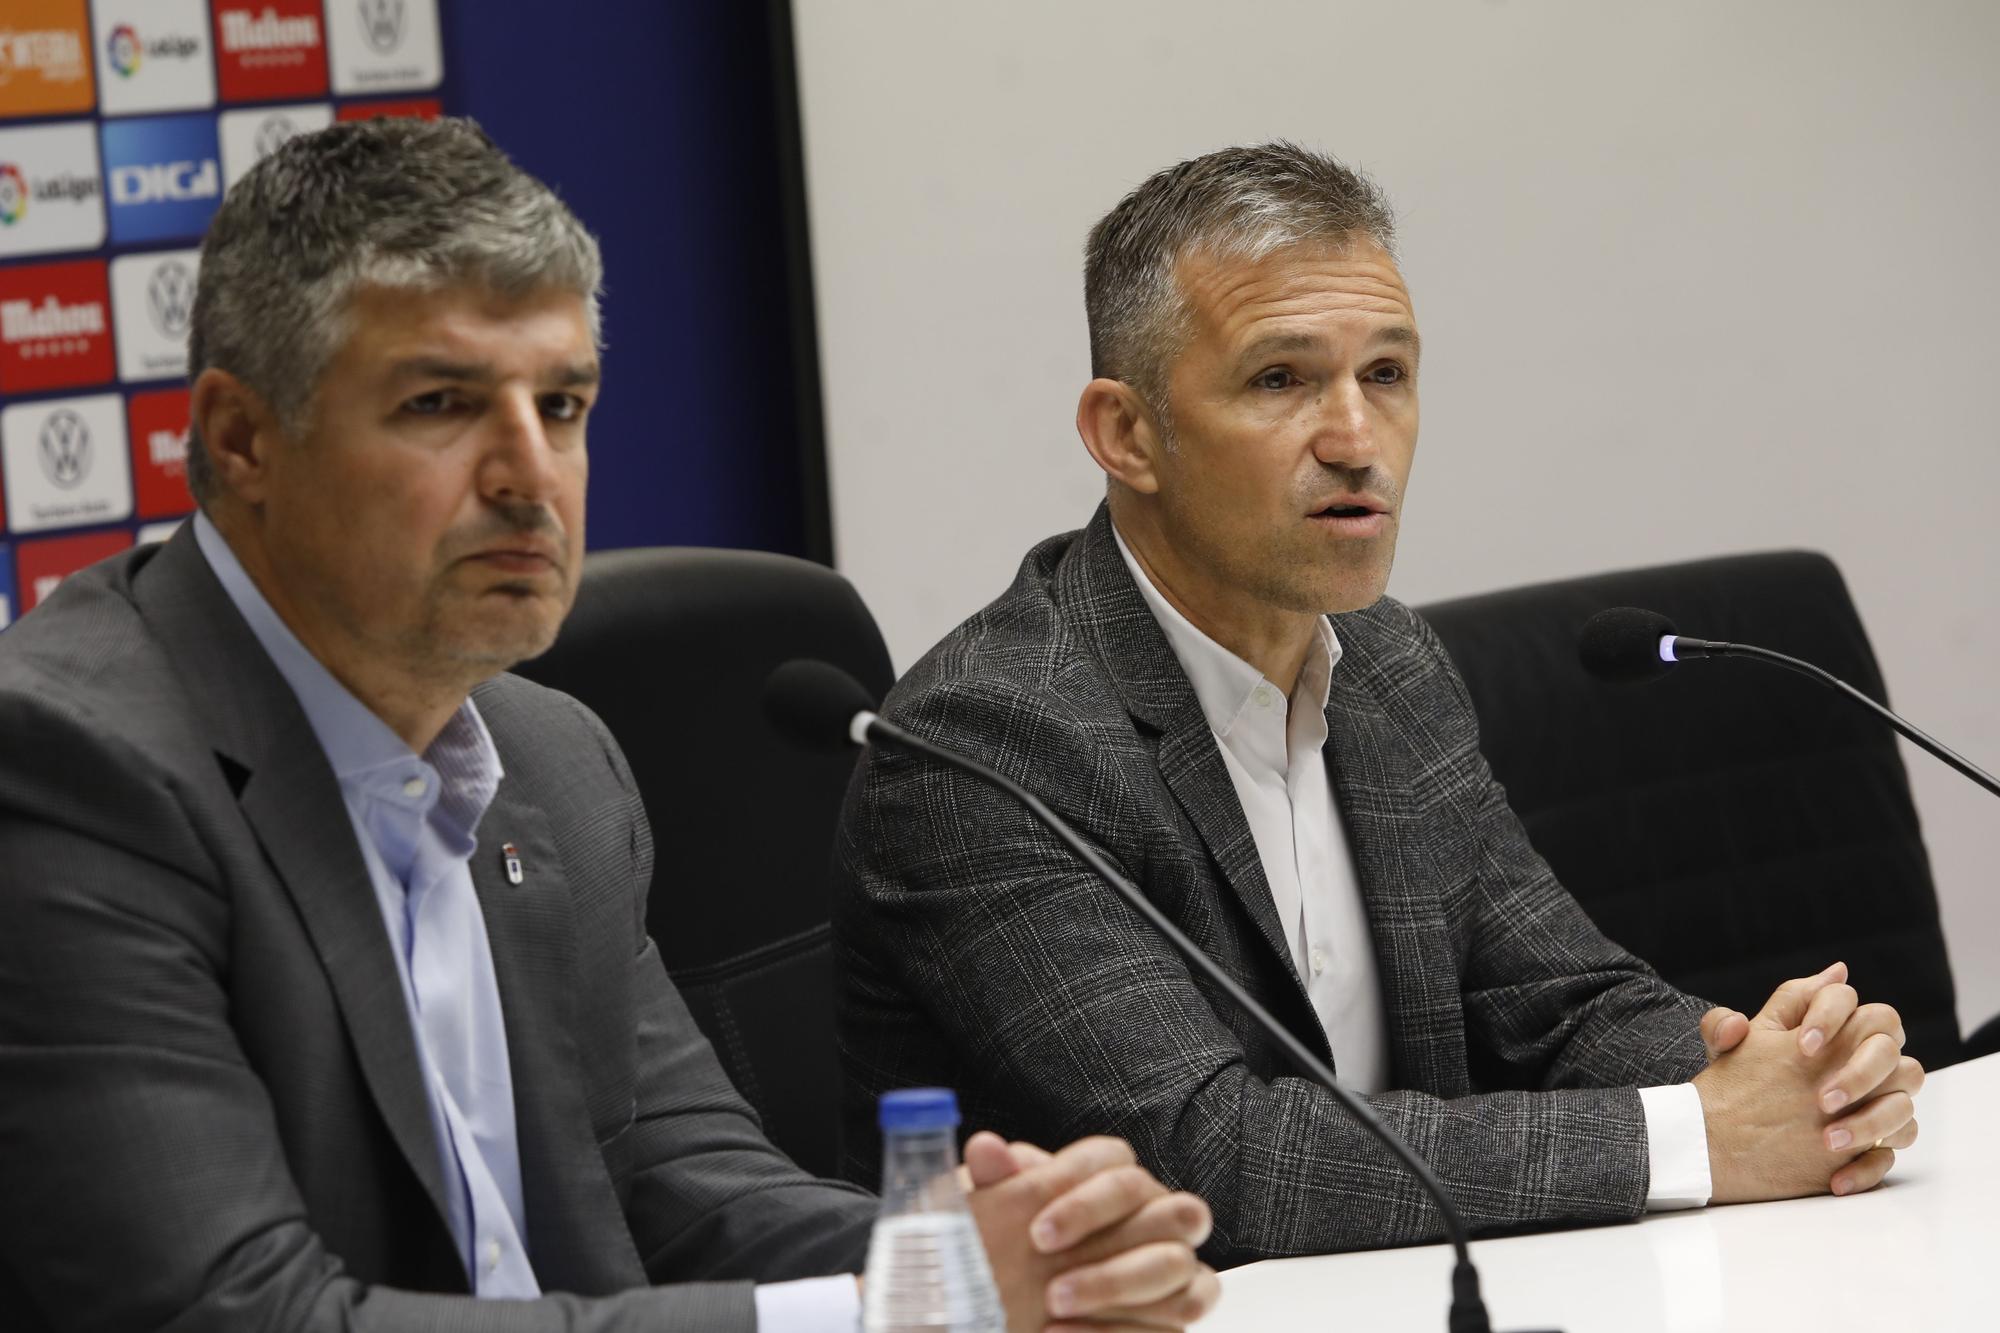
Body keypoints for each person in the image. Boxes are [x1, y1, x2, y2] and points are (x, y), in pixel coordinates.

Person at [0, 118, 1221, 1332]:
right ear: (242, 439)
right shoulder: (73, 770)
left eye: (564, 403)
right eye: (441, 403)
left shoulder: (550, 756)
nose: (531, 476)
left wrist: (991, 1259)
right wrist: (880, 1321)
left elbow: (680, 1185)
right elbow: (230, 1314)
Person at [831, 142, 1924, 1266]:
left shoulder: (1384, 659)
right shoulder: (986, 743)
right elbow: (1211, 1160)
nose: (1356, 441)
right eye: (1280, 379)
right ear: (1126, 434)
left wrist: (1778, 1072)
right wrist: (1695, 1134)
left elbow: (1559, 998)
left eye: (1386, 375)